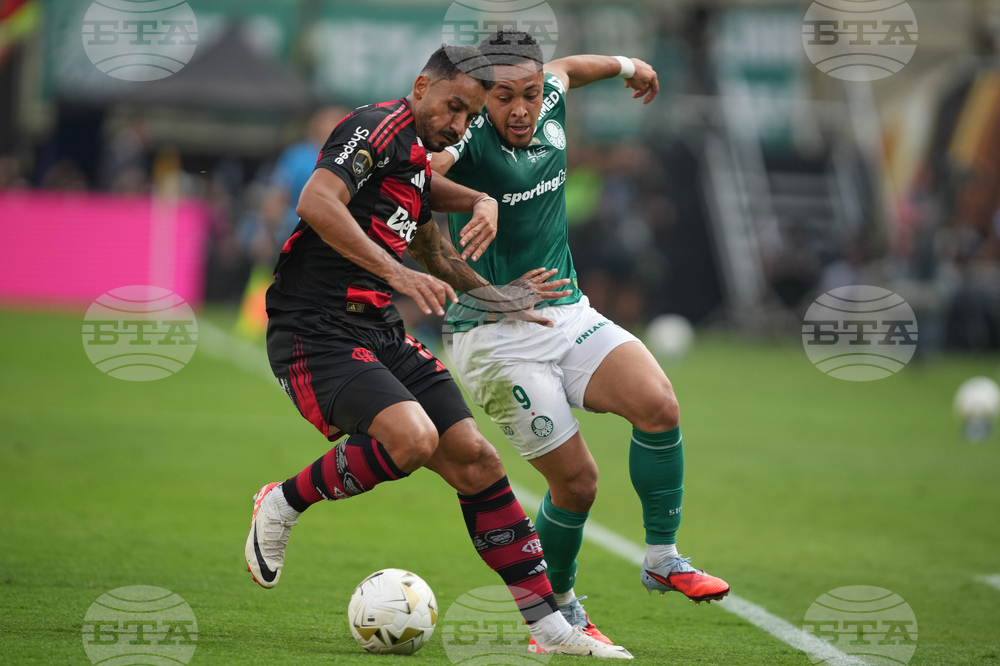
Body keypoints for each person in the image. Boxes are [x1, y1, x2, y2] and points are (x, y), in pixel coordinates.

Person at [244, 44, 632, 659]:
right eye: (454, 106)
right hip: (313, 332)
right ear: (422, 86)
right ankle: (285, 500)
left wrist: (499, 294)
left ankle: (549, 627)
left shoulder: (419, 161)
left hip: (377, 332)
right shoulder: (373, 126)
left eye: (469, 115)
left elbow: (435, 255)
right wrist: (393, 272)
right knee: (413, 439)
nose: (458, 123)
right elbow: (316, 203)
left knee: (477, 460)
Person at [430, 32, 730, 649]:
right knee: (577, 484)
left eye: (531, 94)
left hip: (567, 313)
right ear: (481, 96)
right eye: (505, 96)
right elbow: (411, 181)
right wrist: (476, 200)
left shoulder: (552, 99)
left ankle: (662, 558)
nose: (521, 109)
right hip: (493, 336)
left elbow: (570, 67)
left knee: (659, 405)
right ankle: (558, 612)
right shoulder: (466, 140)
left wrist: (631, 64)